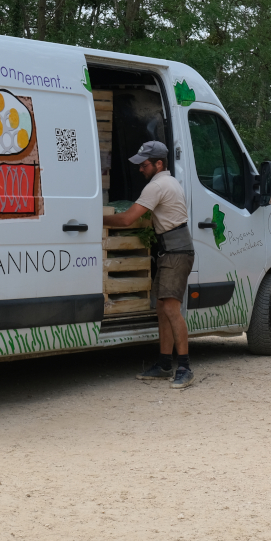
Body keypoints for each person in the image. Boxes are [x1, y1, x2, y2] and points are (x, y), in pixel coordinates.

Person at [103, 140, 196, 388]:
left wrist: (94, 218)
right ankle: (165, 364)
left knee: (171, 309)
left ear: (158, 163)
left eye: (143, 165)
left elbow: (127, 219)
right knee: (163, 308)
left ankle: (185, 367)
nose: (140, 169)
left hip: (176, 253)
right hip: (172, 251)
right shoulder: (169, 182)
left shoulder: (157, 186)